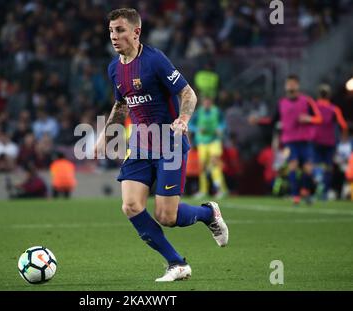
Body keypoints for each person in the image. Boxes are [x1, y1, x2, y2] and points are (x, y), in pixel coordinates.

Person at [94, 8, 228, 282]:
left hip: (170, 143)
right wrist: (105, 135)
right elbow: (121, 105)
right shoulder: (114, 68)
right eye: (110, 31)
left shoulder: (155, 60)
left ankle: (207, 213)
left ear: (136, 32)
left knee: (166, 216)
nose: (114, 36)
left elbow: (187, 93)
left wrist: (183, 118)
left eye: (120, 30)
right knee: (130, 206)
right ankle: (177, 264)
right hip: (141, 145)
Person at [252, 75, 322, 204]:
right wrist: (258, 120)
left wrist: (309, 119)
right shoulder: (281, 103)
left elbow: (319, 118)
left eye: (293, 83)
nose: (290, 86)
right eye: (288, 84)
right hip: (289, 140)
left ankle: (305, 190)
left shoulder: (307, 100)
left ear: (298, 85)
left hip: (305, 140)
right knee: (292, 166)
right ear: (285, 86)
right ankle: (295, 195)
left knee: (308, 168)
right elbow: (272, 121)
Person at [312, 84, 348, 199]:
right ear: (329, 95)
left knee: (316, 165)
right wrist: (343, 138)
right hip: (330, 141)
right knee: (328, 167)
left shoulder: (314, 107)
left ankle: (318, 186)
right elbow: (344, 125)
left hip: (316, 140)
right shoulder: (334, 109)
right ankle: (325, 191)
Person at [189, 97, 227, 198]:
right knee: (203, 166)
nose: (207, 104)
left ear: (211, 102)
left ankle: (220, 189)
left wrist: (220, 128)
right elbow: (190, 125)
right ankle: (203, 190)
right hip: (202, 141)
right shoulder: (198, 112)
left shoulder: (216, 111)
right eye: (205, 102)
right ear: (202, 103)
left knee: (215, 162)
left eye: (208, 102)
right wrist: (197, 129)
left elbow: (223, 123)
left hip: (214, 140)